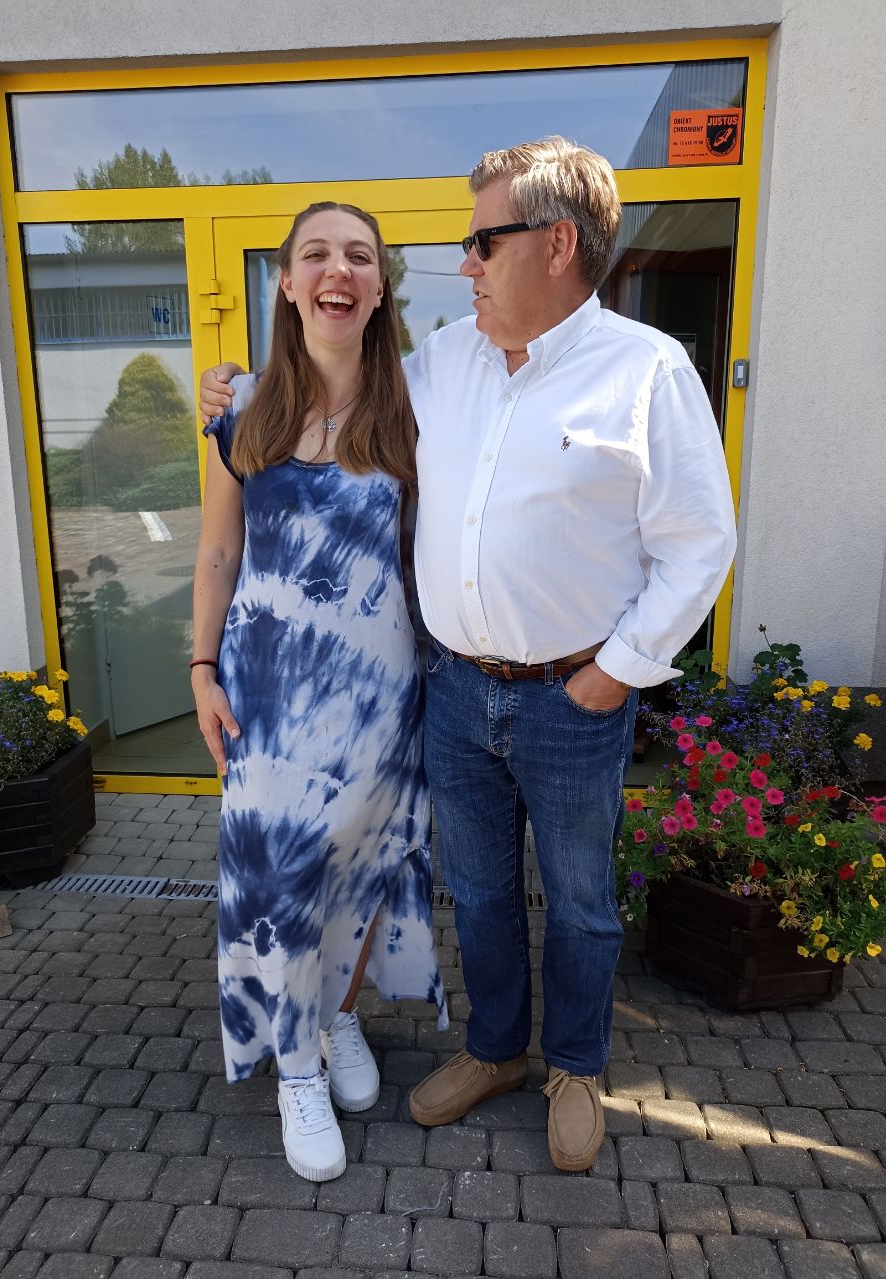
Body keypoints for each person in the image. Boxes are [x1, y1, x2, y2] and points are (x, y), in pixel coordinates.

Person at [200, 136, 737, 1173]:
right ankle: (494, 1049)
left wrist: (617, 669)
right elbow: (325, 384)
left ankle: (573, 1066)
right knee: (480, 895)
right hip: (450, 692)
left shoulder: (645, 371)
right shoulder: (441, 364)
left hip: (572, 696)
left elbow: (698, 543)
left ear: (556, 244)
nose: (465, 263)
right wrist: (233, 389)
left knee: (578, 901)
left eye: (483, 241)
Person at [192, 200, 446, 1183]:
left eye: (358, 256)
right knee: (280, 876)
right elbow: (218, 550)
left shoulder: (417, 411)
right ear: (288, 284)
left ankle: (338, 1016)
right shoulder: (241, 409)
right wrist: (200, 670)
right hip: (265, 694)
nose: (337, 270)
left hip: (380, 693)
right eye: (315, 254)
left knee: (363, 862)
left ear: (380, 288)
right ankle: (294, 1067)